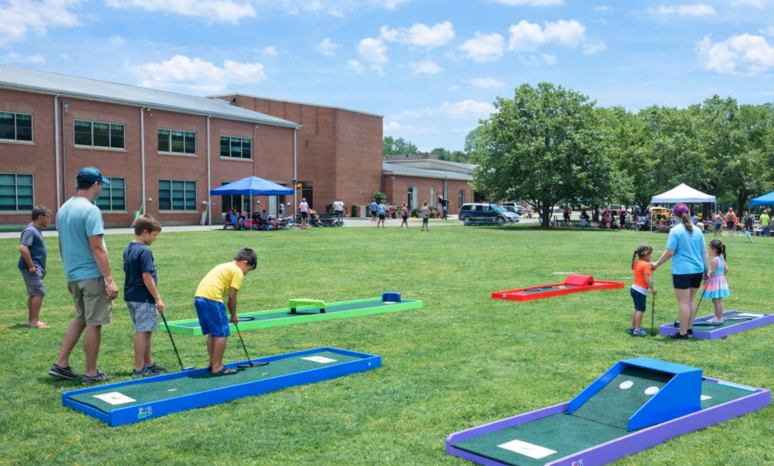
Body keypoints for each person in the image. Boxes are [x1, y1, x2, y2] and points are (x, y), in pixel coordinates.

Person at [49, 167, 119, 383]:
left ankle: (61, 364)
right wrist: (109, 279)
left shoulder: (64, 208)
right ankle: (91, 372)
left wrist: (70, 275)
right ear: (95, 184)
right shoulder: (91, 210)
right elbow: (97, 247)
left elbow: (62, 245)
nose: (102, 190)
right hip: (91, 275)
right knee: (94, 322)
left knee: (80, 318)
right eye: (102, 185)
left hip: (76, 275)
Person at [194, 248, 257, 376]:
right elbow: (231, 297)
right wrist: (234, 316)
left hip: (199, 297)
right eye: (249, 270)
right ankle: (217, 366)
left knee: (213, 332)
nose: (246, 273)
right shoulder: (238, 271)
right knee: (222, 333)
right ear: (244, 263)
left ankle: (213, 363)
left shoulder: (224, 266)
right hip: (212, 298)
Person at [651, 204, 709, 340]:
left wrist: (657, 263)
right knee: (691, 300)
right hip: (698, 270)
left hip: (682, 270)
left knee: (683, 302)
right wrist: (707, 272)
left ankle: (682, 333)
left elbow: (670, 251)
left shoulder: (675, 230)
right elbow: (704, 252)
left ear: (674, 215)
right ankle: (688, 329)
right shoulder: (698, 230)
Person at [123, 215, 166, 378]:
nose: (155, 239)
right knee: (143, 331)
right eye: (154, 235)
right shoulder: (144, 251)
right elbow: (146, 277)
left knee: (146, 330)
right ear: (145, 232)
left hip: (131, 295)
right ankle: (139, 368)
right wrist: (158, 298)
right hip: (144, 297)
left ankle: (149, 363)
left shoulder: (129, 247)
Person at [19, 205, 51, 328]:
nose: (49, 220)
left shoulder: (36, 230)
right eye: (47, 217)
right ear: (40, 217)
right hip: (30, 267)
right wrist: (32, 266)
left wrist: (42, 267)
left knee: (34, 293)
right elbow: (23, 248)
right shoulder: (30, 230)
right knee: (39, 292)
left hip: (37, 266)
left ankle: (31, 320)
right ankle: (35, 321)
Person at [629, 244, 657, 336]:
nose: (651, 256)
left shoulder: (637, 262)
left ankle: (632, 327)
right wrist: (652, 288)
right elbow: (647, 279)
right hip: (640, 290)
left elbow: (642, 269)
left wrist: (650, 267)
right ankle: (637, 329)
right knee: (640, 310)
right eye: (650, 254)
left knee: (636, 308)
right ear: (646, 254)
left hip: (634, 288)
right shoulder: (645, 265)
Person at [703, 239, 730, 324]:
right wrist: (720, 276)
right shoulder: (721, 258)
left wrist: (706, 277)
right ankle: (719, 317)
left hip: (715, 281)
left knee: (715, 300)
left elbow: (712, 271)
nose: (708, 250)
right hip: (721, 280)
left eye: (710, 248)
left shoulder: (714, 260)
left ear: (714, 250)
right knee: (719, 300)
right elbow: (726, 270)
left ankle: (718, 318)